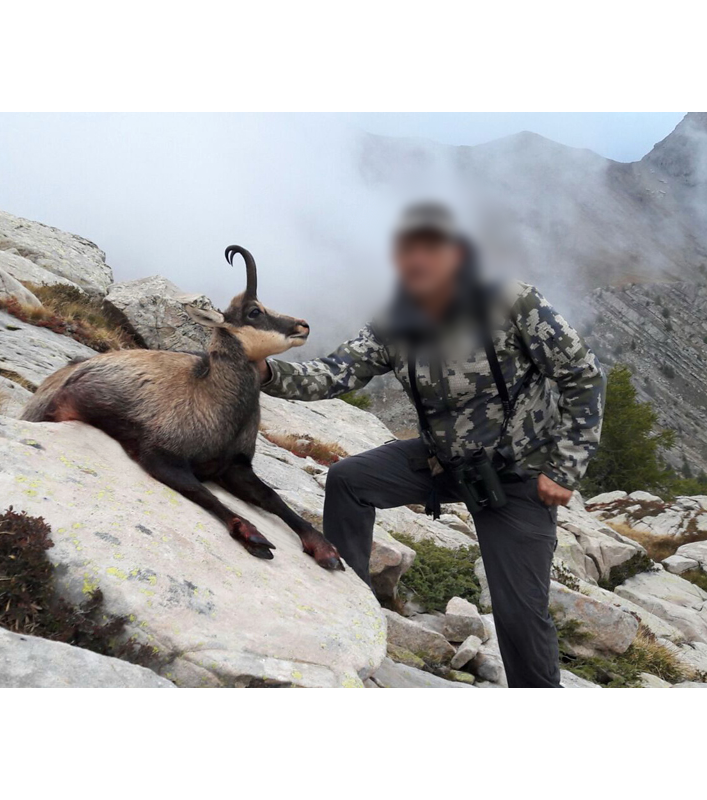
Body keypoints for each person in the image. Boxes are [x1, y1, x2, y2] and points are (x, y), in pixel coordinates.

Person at [258, 202, 606, 688]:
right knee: (348, 481)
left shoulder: (512, 302)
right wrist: (266, 371)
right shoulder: (396, 321)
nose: (416, 262)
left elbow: (583, 376)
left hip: (518, 478)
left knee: (519, 616)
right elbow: (337, 371)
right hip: (440, 464)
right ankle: (350, 612)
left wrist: (565, 469)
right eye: (407, 253)